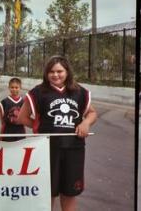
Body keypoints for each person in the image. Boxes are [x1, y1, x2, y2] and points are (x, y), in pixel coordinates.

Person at [17, 55, 97, 211]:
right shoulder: (38, 92)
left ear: (67, 72)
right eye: (51, 72)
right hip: (47, 148)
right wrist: (37, 126)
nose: (55, 75)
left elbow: (92, 113)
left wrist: (85, 123)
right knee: (48, 192)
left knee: (69, 193)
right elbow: (22, 117)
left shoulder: (79, 92)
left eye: (59, 71)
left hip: (74, 149)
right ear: (46, 74)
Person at [0, 77, 25, 141]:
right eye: (12, 87)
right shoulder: (4, 102)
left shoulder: (24, 102)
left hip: (20, 130)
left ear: (20, 88)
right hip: (7, 130)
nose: (14, 89)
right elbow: (2, 119)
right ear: (9, 87)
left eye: (16, 87)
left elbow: (25, 118)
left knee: (20, 148)